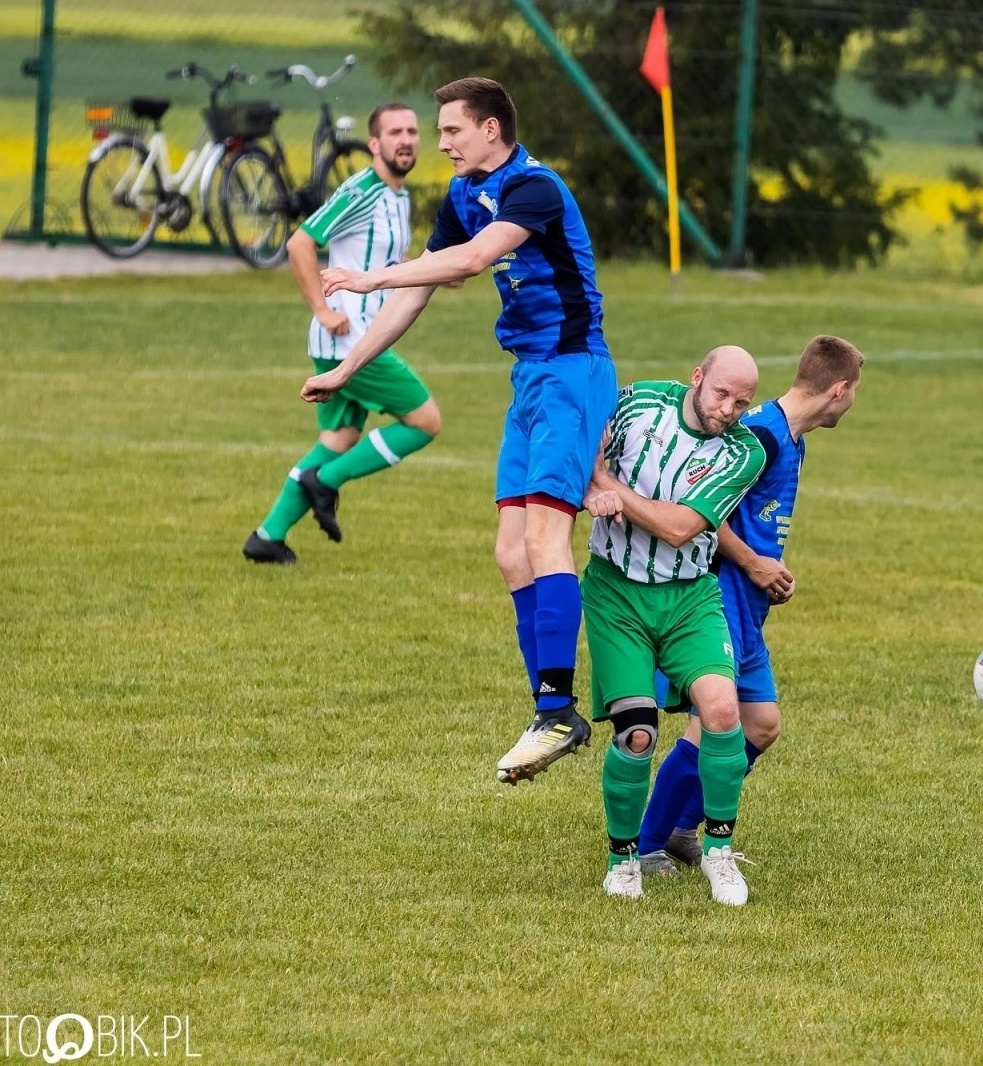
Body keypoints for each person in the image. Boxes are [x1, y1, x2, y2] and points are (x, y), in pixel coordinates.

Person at [300, 77, 618, 785]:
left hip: (573, 372)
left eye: (451, 131)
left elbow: (471, 262)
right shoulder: (461, 196)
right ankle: (553, 712)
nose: (439, 142)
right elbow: (421, 288)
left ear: (492, 132)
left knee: (544, 537)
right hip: (531, 380)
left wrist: (370, 275)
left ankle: (557, 709)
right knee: (510, 554)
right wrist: (350, 364)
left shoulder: (533, 188)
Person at [635, 335, 866, 876]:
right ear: (839, 390)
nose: (853, 402)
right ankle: (645, 845)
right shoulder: (759, 436)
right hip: (721, 595)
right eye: (855, 392)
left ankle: (681, 828)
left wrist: (769, 569)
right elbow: (701, 513)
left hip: (750, 602)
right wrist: (755, 564)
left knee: (761, 725)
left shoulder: (790, 436)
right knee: (710, 722)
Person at [581, 347, 768, 906]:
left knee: (722, 710)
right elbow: (588, 435)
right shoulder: (640, 402)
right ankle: (623, 859)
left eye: (742, 401)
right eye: (721, 394)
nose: (730, 408)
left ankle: (717, 853)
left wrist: (609, 484)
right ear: (697, 378)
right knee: (637, 732)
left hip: (690, 598)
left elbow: (681, 528)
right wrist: (591, 485)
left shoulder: (745, 453)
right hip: (616, 593)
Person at [242, 103, 438, 564]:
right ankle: (324, 482)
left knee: (340, 440)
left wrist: (434, 271)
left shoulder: (398, 195)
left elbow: (383, 263)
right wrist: (323, 309)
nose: (406, 139)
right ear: (374, 143)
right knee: (425, 421)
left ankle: (267, 537)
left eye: (412, 131)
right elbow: (300, 243)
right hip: (351, 339)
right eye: (394, 132)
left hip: (356, 337)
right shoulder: (363, 191)